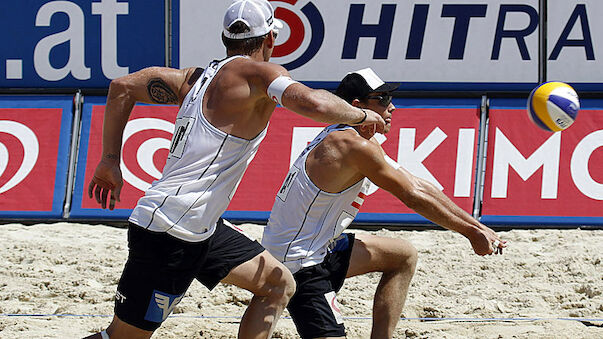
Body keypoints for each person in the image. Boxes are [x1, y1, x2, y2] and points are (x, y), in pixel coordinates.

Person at [84, 0, 386, 338]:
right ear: (271, 38)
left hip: (203, 227)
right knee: (122, 337)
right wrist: (361, 115)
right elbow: (314, 103)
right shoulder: (258, 74)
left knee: (278, 284)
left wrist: (110, 160)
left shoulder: (194, 79)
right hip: (170, 231)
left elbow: (121, 87)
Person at [261, 68, 507, 339]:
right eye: (382, 98)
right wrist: (470, 233)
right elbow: (411, 195)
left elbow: (418, 184)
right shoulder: (350, 145)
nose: (392, 106)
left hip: (318, 247)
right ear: (357, 106)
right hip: (298, 263)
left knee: (402, 256)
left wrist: (477, 226)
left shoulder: (354, 136)